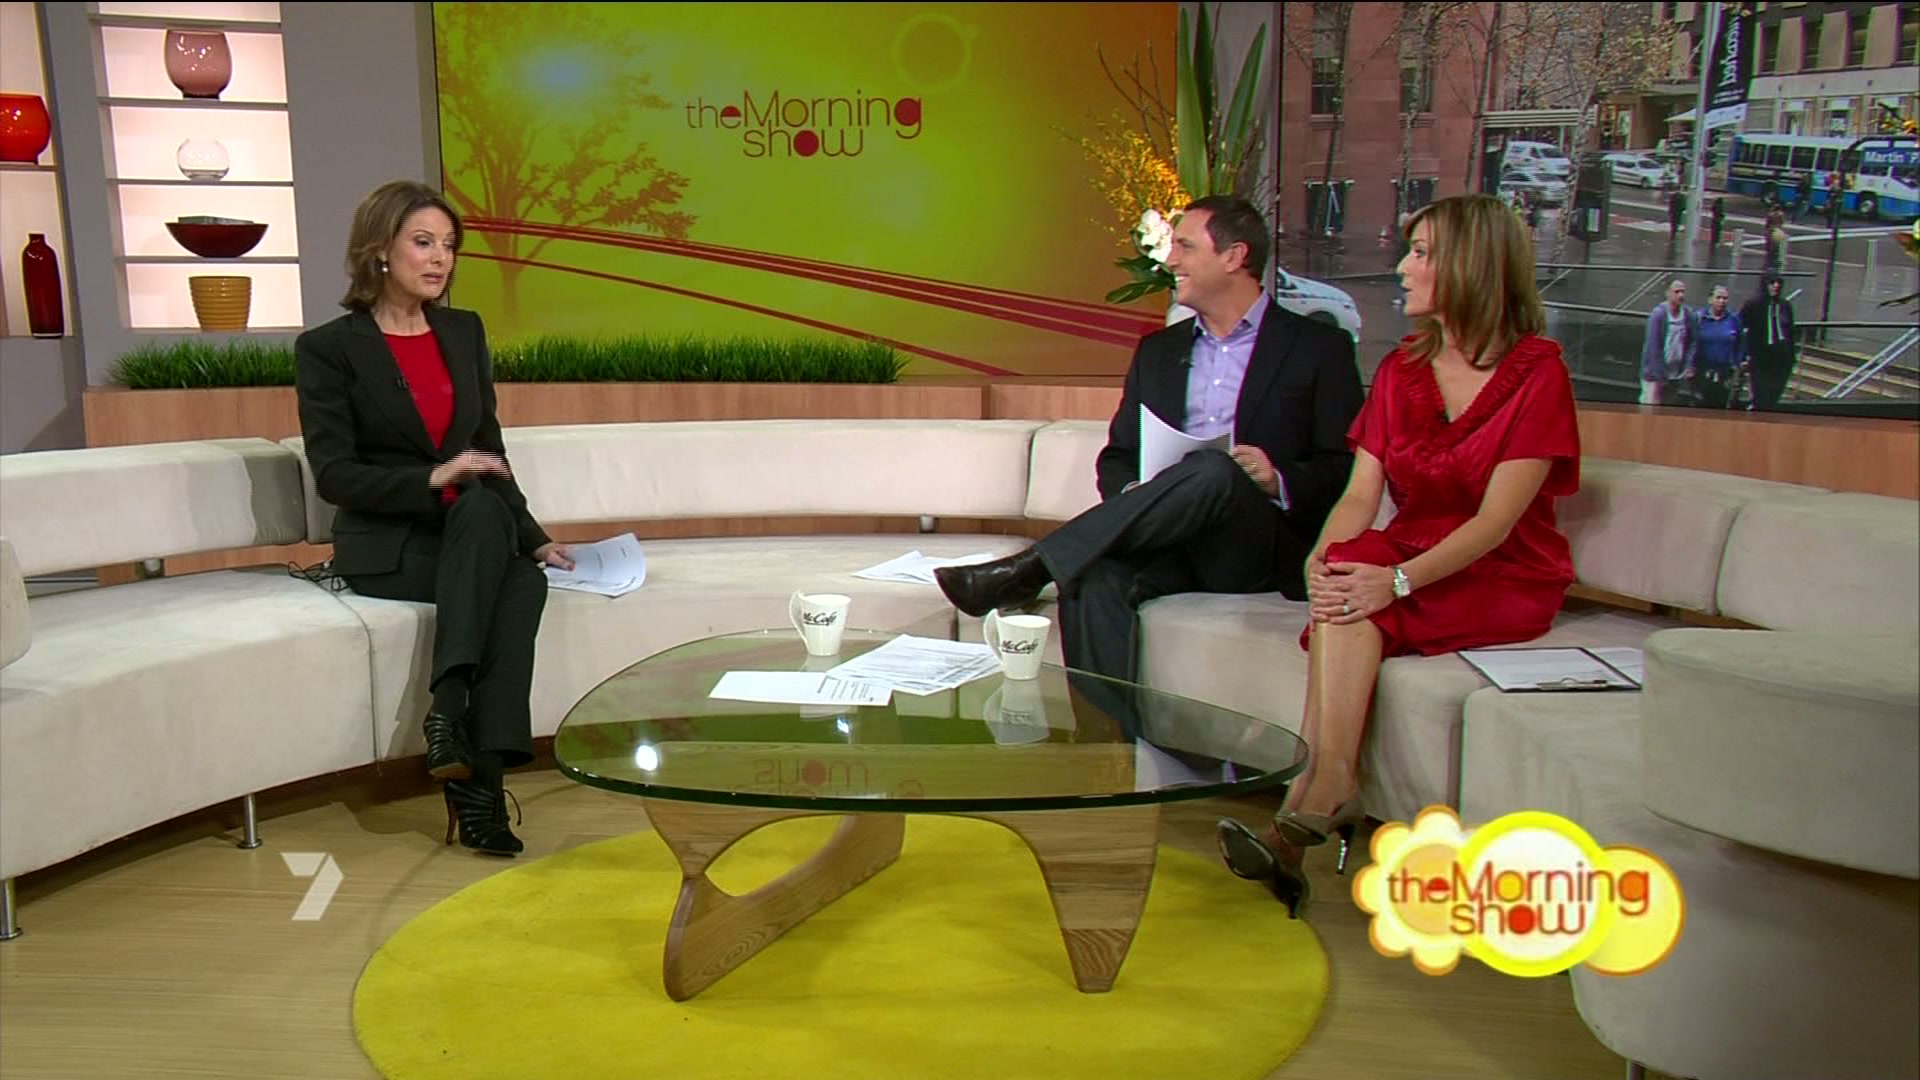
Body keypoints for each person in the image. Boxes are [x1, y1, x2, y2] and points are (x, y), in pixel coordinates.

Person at [1214, 193, 1581, 915]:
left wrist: (1399, 581)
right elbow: (1361, 494)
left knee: (1360, 592)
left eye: (1420, 254)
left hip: (1501, 567)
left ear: (1470, 266)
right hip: (1410, 548)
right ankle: (1321, 794)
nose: (1403, 269)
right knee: (1344, 574)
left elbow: (1498, 522)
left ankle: (1310, 799)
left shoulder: (1538, 374)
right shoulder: (1400, 371)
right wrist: (1321, 557)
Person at [932, 195, 1364, 683]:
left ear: (1234, 256)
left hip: (1256, 545)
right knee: (1092, 576)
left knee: (1214, 468)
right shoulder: (1158, 352)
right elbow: (1118, 457)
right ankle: (1105, 731)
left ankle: (1033, 567)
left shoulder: (1317, 348)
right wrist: (1135, 495)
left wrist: (1276, 479)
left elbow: (1346, 470)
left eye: (1185, 246)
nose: (1171, 261)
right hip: (1170, 541)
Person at [293, 180, 573, 857]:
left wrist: (534, 538)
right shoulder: (329, 348)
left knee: (515, 556)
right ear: (380, 250)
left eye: (449, 245)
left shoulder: (462, 331)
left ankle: (453, 731)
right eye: (423, 242)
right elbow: (334, 475)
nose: (440, 258)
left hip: (469, 532)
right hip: (389, 545)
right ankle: (472, 767)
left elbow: (488, 450)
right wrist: (430, 477)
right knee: (507, 569)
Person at [1741, 271, 1798, 410]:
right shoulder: (1753, 305)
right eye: (1772, 283)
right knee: (1761, 397)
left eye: (1778, 283)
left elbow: (1790, 332)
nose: (1776, 286)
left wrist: (1791, 356)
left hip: (1782, 359)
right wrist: (1744, 355)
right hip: (1761, 358)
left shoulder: (1785, 305)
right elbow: (1741, 329)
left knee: (1774, 396)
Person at [1639, 280, 1697, 405]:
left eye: (1683, 292)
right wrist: (1659, 374)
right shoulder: (1658, 315)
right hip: (1655, 375)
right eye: (1677, 292)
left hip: (1676, 373)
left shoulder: (1689, 315)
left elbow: (1692, 341)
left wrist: (1688, 365)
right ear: (1668, 293)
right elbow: (1653, 347)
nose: (1681, 295)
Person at [1692, 284, 1743, 408]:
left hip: (1725, 374)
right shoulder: (1699, 318)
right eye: (1718, 297)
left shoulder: (1733, 320)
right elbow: (1690, 343)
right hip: (1701, 373)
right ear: (1710, 299)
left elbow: (1740, 343)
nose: (1722, 301)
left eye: (1725, 298)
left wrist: (1737, 363)